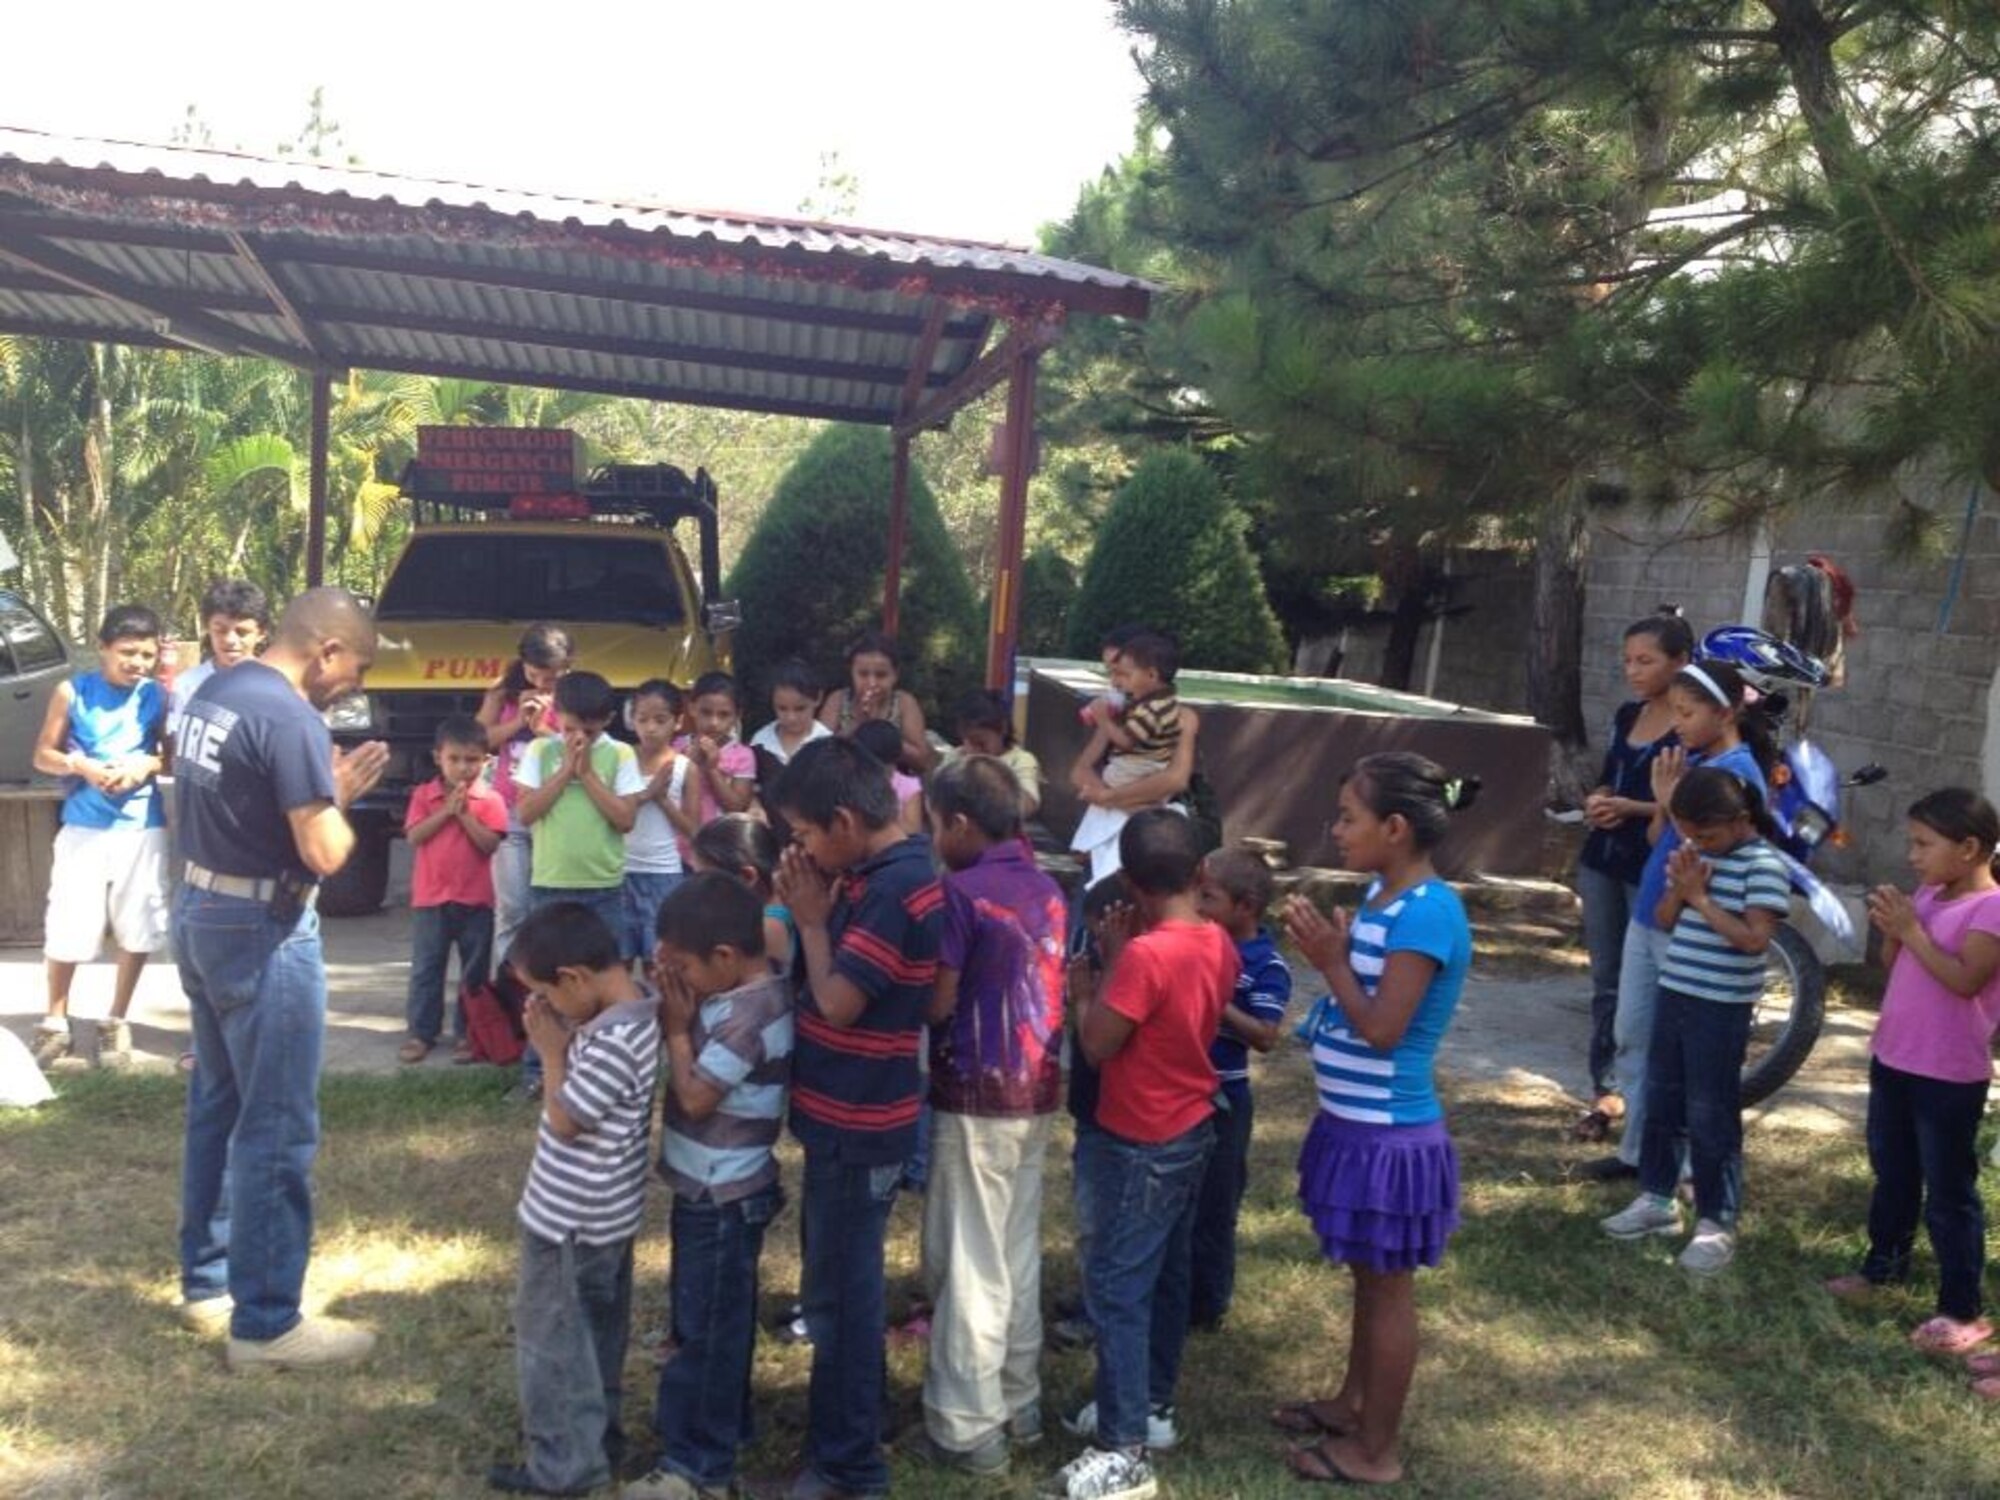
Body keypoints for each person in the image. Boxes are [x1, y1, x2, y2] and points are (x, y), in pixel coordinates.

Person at [174, 587, 387, 1366]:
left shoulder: (218, 688)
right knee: (277, 1124)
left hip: (201, 907)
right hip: (264, 930)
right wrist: (341, 793)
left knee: (218, 1104)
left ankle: (208, 1283)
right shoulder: (292, 717)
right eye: (354, 668)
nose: (353, 684)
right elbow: (326, 853)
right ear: (326, 650)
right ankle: (267, 1325)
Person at [1274, 753, 1477, 1487]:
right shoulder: (1383, 894)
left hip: (1390, 1134)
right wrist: (1336, 953)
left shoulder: (1427, 911)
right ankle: (1352, 1404)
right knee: (1368, 1277)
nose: (1335, 830)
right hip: (1354, 1126)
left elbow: (1385, 1029)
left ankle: (1376, 1451)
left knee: (1388, 1286)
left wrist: (1329, 962)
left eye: (1348, 818)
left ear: (1395, 827)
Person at [767, 737, 942, 1500]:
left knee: (841, 1295)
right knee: (840, 1283)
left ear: (843, 820)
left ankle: (849, 1466)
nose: (801, 850)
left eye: (804, 835)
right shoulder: (887, 872)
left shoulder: (892, 889)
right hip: (856, 1109)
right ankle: (856, 1426)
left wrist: (810, 921)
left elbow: (839, 1001)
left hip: (857, 1117)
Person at [1044, 810, 1236, 1500]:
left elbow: (1099, 1043)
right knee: (1161, 1274)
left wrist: (1092, 986)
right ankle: (1150, 1404)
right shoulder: (1216, 940)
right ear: (1202, 873)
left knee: (1118, 1289)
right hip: (1190, 1126)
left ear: (1127, 879)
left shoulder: (1148, 956)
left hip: (1140, 1139)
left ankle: (1123, 1450)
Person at [911, 756, 1067, 1477]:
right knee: (1012, 1247)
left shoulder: (959, 894)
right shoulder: (1047, 888)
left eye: (937, 825)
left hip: (973, 1090)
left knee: (969, 1256)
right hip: (1034, 1089)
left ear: (962, 824)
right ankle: (1018, 1397)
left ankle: (967, 1425)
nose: (935, 837)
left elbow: (939, 1002)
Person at [628, 873, 795, 1500]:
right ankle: (725, 1427)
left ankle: (699, 1467)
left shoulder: (749, 1016)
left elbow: (696, 1097)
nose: (678, 984)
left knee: (705, 1331)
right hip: (709, 1190)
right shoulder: (735, 993)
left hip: (722, 1198)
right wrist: (679, 992)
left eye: (683, 969)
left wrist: (676, 1028)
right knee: (712, 1322)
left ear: (725, 957)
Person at [488, 903, 661, 1498]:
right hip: (602, 1220)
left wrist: (553, 1052)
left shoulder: (612, 1037)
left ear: (575, 979)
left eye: (545, 994)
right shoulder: (633, 1010)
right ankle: (596, 1447)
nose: (544, 1010)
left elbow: (565, 1119)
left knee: (554, 1350)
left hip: (569, 1223)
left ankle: (564, 1471)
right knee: (594, 1341)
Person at [1585, 657, 1776, 1182]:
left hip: (1687, 927)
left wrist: (1669, 801)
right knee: (1632, 1034)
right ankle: (1638, 1152)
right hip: (1651, 912)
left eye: (1688, 713)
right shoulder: (1686, 760)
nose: (1678, 724)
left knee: (1681, 1053)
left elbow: (1711, 857)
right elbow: (1658, 842)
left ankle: (1683, 1164)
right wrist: (1664, 805)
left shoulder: (1736, 775)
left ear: (1727, 711)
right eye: (1675, 712)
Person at [1826, 789, 2000, 1362]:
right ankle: (1884, 1266)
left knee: (1949, 1190)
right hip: (1895, 1057)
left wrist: (1915, 930)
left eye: (1925, 844)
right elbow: (1892, 966)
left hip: (1948, 1074)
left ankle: (1962, 1308)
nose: (1914, 856)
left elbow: (1964, 980)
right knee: (1893, 1172)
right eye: (1912, 843)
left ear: (1970, 847)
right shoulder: (1927, 893)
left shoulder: (1990, 909)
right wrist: (1893, 930)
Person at [1601, 768, 1790, 1275]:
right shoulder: (1692, 855)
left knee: (1710, 1113)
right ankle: (1657, 1201)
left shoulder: (1764, 866)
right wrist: (1681, 891)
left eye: (1705, 835)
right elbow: (1663, 919)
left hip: (1721, 1005)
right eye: (1687, 833)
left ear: (1740, 820)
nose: (1696, 843)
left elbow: (1753, 940)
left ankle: (1715, 1223)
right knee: (1662, 1099)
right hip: (1676, 992)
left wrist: (1701, 898)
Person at [30, 604, 172, 1070]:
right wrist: (81, 765)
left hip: (140, 827)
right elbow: (43, 755)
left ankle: (116, 1019)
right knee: (69, 921)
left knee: (138, 923)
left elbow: (168, 757)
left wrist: (144, 766)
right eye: (127, 652)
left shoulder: (158, 696)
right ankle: (55, 1020)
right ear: (103, 648)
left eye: (146, 655)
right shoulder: (72, 692)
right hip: (84, 826)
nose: (137, 663)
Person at [1572, 614, 1690, 1141]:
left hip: (1648, 865)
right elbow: (1605, 778)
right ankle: (1606, 1088)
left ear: (1680, 663)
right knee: (1606, 978)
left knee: (1645, 980)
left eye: (1646, 660)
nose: (1633, 670)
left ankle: (1646, 1093)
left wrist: (1636, 808)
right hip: (1601, 857)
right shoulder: (1626, 715)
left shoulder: (1688, 728)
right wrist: (1596, 801)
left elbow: (1685, 805)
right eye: (1627, 660)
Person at [514, 671, 646, 1098]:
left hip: (603, 885)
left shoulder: (621, 755)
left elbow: (625, 818)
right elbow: (526, 812)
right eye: (569, 727)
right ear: (557, 716)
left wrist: (587, 774)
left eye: (587, 731)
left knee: (604, 976)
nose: (576, 737)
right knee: (546, 978)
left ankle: (603, 1060)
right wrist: (564, 772)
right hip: (551, 883)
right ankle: (538, 1068)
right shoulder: (539, 750)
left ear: (607, 720)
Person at [1188, 845, 1293, 1332]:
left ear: (1245, 906)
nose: (1197, 904)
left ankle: (1208, 1303)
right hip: (1185, 1091)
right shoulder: (1200, 942)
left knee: (1216, 1200)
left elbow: (1266, 1035)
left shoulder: (1266, 963)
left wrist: (1218, 1001)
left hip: (1227, 1099)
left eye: (1207, 896)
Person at [400, 714, 507, 1064]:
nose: (463, 768)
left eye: (472, 760)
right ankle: (420, 1033)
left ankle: (468, 1032)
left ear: (486, 761)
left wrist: (464, 815)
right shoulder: (423, 795)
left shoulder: (490, 800)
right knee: (426, 968)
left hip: (476, 899)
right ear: (438, 758)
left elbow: (489, 844)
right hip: (431, 899)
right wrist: (446, 811)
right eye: (454, 759)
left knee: (473, 971)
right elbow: (415, 836)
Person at [1068, 632, 1203, 888]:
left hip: (1150, 830)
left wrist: (1110, 799)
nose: (1115, 681)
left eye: (1121, 673)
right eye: (1111, 672)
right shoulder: (1123, 712)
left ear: (1149, 674)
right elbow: (1080, 771)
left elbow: (1175, 779)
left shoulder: (1178, 716)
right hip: (1120, 813)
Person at [478, 623, 575, 968]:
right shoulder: (502, 693)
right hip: (510, 811)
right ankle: (508, 988)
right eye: (535, 674)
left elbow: (584, 748)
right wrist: (518, 720)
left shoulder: (573, 696)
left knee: (549, 905)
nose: (542, 684)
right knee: (512, 906)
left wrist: (544, 730)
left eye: (551, 678)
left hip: (556, 811)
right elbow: (478, 740)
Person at [627, 680, 696, 963]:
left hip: (664, 872)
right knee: (618, 959)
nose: (651, 728)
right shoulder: (621, 759)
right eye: (642, 719)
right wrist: (647, 794)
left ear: (678, 721)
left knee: (661, 961)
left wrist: (663, 800)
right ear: (632, 720)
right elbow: (610, 810)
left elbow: (693, 830)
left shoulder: (685, 767)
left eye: (660, 720)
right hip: (619, 868)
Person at [167, 577, 271, 739]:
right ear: (207, 628)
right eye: (220, 630)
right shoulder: (187, 684)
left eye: (242, 632)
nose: (230, 640)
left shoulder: (274, 686)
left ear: (261, 633)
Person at [819, 628, 932, 773]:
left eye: (881, 675)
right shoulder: (838, 700)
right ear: (851, 672)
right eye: (863, 674)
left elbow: (921, 761)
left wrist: (883, 734)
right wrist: (859, 723)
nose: (871, 683)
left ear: (895, 675)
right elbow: (820, 753)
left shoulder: (904, 703)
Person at [692, 815, 795, 974]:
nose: (700, 892)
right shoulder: (784, 903)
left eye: (708, 882)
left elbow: (769, 993)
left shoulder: (768, 927)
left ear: (748, 877)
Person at [941, 689, 1042, 820]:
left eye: (980, 743)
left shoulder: (1020, 760)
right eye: (966, 740)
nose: (972, 750)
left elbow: (1028, 804)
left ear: (1002, 729)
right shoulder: (955, 757)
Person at [682, 671, 757, 827]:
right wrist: (686, 764)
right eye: (706, 712)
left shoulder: (743, 755)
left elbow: (737, 807)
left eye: (724, 715)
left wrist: (712, 769)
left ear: (737, 715)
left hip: (721, 842)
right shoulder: (676, 747)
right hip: (676, 842)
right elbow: (667, 794)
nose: (714, 722)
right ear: (692, 708)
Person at [751, 658, 832, 767]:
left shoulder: (827, 743)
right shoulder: (761, 741)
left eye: (800, 708)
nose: (791, 717)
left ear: (818, 698)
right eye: (782, 708)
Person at [854, 717, 925, 835]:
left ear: (895, 760)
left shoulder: (909, 786)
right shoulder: (852, 782)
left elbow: (913, 828)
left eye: (884, 768)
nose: (878, 773)